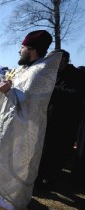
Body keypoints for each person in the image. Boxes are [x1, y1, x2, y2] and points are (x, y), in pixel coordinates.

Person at [0, 30, 61, 210]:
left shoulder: (40, 72)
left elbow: (27, 102)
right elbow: (2, 77)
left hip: (23, 129)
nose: (19, 51)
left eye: (22, 48)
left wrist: (8, 91)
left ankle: (10, 202)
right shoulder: (24, 69)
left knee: (16, 163)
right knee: (1, 159)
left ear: (31, 50)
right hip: (9, 124)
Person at [36, 50, 85, 188]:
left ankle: (50, 180)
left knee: (57, 154)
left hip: (66, 125)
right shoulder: (53, 74)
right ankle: (39, 179)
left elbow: (75, 95)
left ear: (63, 59)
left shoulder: (77, 75)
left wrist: (51, 88)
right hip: (49, 121)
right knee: (44, 152)